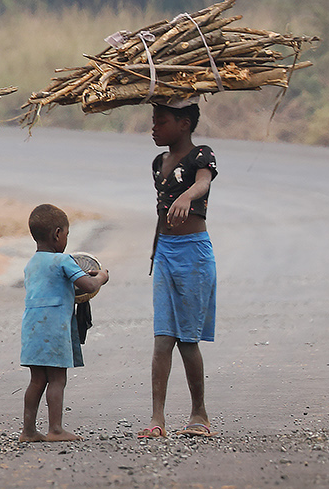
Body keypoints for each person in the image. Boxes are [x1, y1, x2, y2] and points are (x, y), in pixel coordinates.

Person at [141, 99, 218, 439]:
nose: (154, 127)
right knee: (162, 339)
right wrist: (156, 252)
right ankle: (157, 419)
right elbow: (161, 213)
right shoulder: (159, 162)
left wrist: (187, 196)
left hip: (193, 255)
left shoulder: (202, 155)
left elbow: (203, 183)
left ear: (184, 123)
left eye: (161, 120)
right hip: (166, 254)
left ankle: (199, 413)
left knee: (188, 340)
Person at [19, 202, 110, 443]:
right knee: (57, 379)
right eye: (67, 234)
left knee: (37, 380)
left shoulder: (31, 264)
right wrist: (102, 276)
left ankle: (28, 431)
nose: (67, 239)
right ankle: (55, 429)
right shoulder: (63, 261)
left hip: (32, 329)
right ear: (58, 234)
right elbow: (88, 286)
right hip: (54, 329)